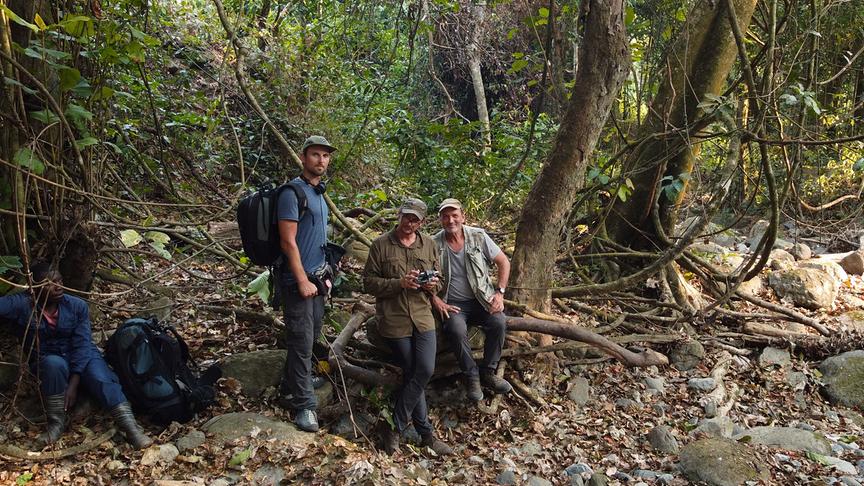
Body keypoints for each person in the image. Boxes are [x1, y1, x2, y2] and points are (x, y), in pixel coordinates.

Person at [0, 263, 152, 449]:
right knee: (52, 363)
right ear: (35, 286)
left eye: (60, 281)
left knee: (101, 378)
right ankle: (56, 423)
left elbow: (82, 345)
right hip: (50, 360)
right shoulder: (24, 303)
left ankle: (131, 428)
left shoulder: (76, 306)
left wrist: (73, 383)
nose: (58, 287)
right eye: (50, 283)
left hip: (82, 355)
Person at [363, 198, 453, 456]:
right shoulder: (381, 244)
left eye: (415, 219)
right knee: (414, 369)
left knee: (424, 368)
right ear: (399, 215)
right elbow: (368, 283)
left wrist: (431, 285)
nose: (409, 223)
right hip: (394, 319)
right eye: (406, 217)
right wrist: (399, 283)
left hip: (423, 316)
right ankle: (426, 435)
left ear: (422, 222)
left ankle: (395, 426)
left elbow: (440, 279)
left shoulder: (429, 245)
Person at [275, 135, 336, 432]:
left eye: (325, 156)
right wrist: (301, 280)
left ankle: (291, 384)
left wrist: (325, 276)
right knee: (300, 341)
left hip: (317, 280)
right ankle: (304, 406)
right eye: (315, 155)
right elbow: (288, 242)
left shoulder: (319, 193)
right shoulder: (292, 192)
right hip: (297, 280)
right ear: (303, 157)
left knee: (309, 337)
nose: (321, 161)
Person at [431, 198, 512, 401]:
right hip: (453, 302)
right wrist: (435, 299)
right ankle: (472, 375)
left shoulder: (478, 236)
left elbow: (503, 262)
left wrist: (500, 293)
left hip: (481, 300)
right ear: (440, 219)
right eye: (446, 216)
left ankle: (488, 372)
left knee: (499, 322)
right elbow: (424, 277)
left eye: (454, 215)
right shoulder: (433, 244)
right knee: (456, 330)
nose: (451, 220)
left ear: (463, 217)